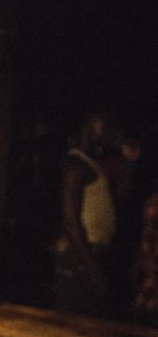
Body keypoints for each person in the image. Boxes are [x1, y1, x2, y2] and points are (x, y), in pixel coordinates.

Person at [53, 111, 117, 314]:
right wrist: (92, 269)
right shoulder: (76, 164)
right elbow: (71, 221)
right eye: (104, 127)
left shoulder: (91, 162)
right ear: (90, 124)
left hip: (87, 255)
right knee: (74, 321)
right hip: (78, 257)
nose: (107, 134)